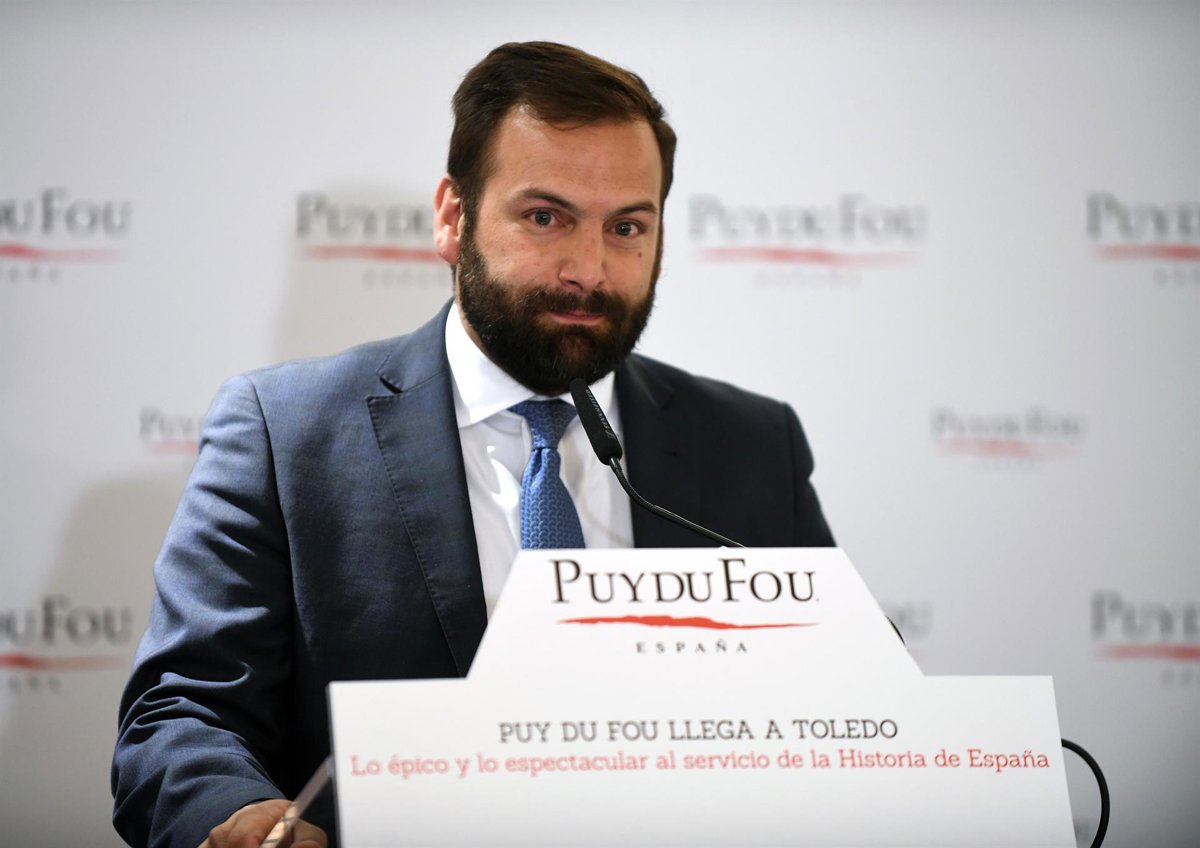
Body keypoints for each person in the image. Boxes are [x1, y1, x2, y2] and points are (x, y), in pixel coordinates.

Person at [112, 41, 834, 848]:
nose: (588, 269)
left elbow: (845, 697)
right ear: (454, 217)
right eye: (545, 217)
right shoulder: (284, 434)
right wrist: (239, 814)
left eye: (627, 226)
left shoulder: (752, 443)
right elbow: (181, 714)